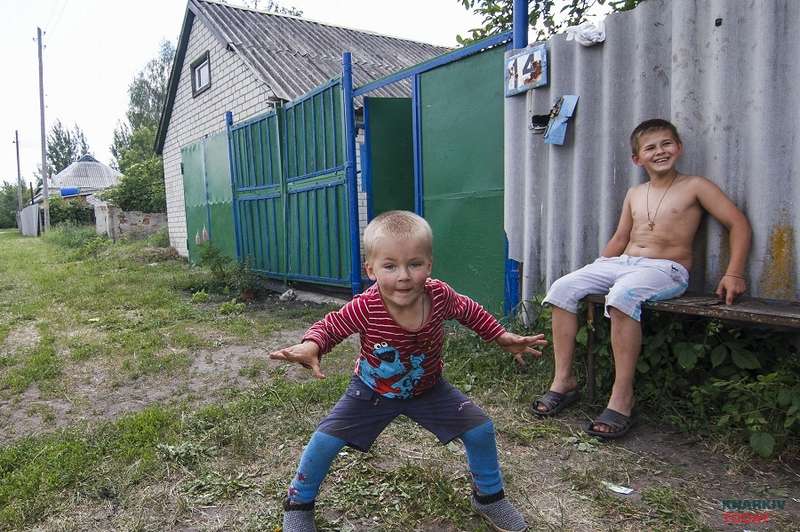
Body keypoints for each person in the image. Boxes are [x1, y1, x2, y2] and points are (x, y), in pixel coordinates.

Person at [270, 210, 548, 532]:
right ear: (371, 270)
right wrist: (312, 345)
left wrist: (501, 337)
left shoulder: (439, 296)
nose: (403, 275)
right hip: (372, 390)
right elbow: (333, 325)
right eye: (390, 266)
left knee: (480, 429)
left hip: (428, 389)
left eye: (414, 264)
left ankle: (489, 498)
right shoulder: (366, 306)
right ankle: (298, 503)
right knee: (324, 441)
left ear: (429, 266)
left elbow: (469, 311)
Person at [533, 118, 752, 439]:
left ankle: (622, 398)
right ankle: (563, 381)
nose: (660, 151)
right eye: (650, 147)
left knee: (622, 296)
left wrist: (733, 272)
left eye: (666, 144)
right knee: (563, 287)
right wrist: (595, 269)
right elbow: (620, 237)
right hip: (623, 263)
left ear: (679, 148)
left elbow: (738, 223)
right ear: (638, 159)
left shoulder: (696, 186)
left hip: (667, 269)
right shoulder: (635, 193)